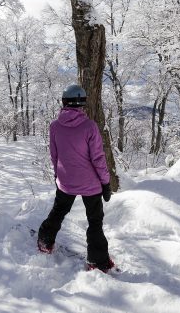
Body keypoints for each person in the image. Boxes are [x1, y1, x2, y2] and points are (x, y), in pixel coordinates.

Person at [37, 84, 114, 272]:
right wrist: (105, 182)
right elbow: (98, 158)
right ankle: (97, 261)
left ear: (64, 102)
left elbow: (54, 155)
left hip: (66, 182)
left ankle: (45, 241)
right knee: (95, 221)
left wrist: (58, 175)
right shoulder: (90, 126)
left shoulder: (55, 126)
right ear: (83, 105)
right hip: (91, 184)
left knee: (58, 212)